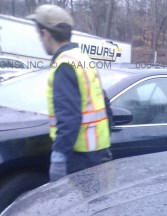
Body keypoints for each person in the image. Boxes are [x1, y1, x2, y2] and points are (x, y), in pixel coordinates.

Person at [27, 5, 111, 181]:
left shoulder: (64, 65)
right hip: (97, 152)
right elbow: (104, 102)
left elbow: (69, 119)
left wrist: (58, 160)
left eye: (39, 35)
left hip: (78, 157)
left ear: (46, 34)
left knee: (75, 208)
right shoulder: (82, 58)